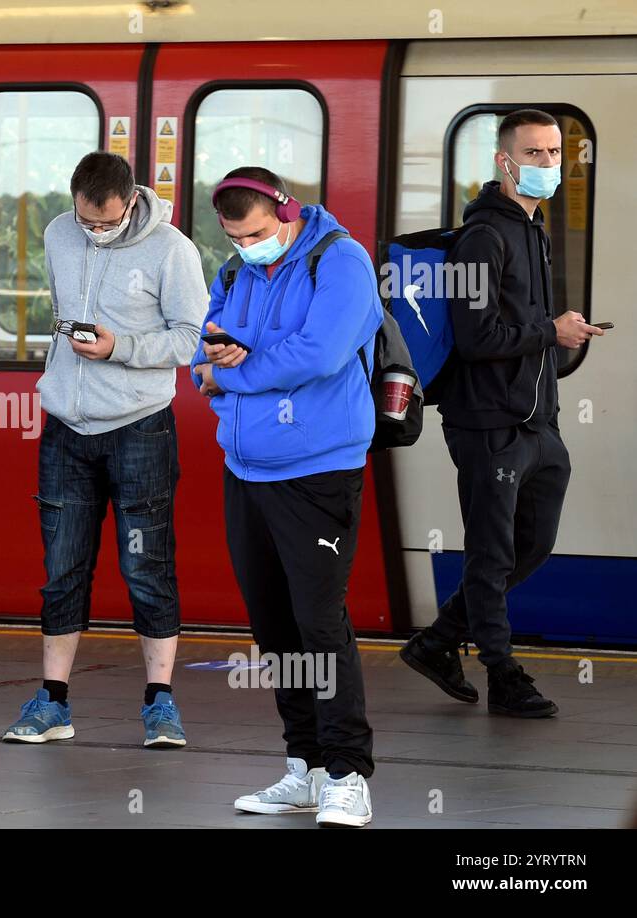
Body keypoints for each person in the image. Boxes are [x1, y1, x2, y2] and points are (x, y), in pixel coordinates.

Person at [191, 166, 382, 827]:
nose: (253, 245)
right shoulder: (235, 272)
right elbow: (202, 354)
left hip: (318, 471)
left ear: (289, 211)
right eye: (240, 236)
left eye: (263, 233)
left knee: (320, 624)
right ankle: (304, 767)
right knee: (275, 629)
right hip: (245, 471)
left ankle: (348, 773)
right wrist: (220, 367)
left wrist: (241, 368)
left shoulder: (342, 260)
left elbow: (321, 353)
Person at [399, 109, 603, 717]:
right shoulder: (483, 237)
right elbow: (477, 335)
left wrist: (551, 339)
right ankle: (503, 675)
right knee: (491, 552)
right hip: (488, 422)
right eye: (534, 154)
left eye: (553, 153)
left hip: (537, 423)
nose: (547, 164)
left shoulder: (531, 230)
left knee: (530, 545)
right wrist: (553, 330)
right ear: (503, 161)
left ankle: (437, 642)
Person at [2, 152, 206, 748]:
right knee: (62, 568)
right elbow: (62, 310)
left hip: (140, 427)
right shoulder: (57, 233)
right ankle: (53, 703)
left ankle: (160, 704)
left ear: (131, 201)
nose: (94, 230)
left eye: (107, 222)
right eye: (86, 220)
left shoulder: (172, 249)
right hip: (66, 426)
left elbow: (189, 340)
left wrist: (119, 347)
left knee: (147, 567)